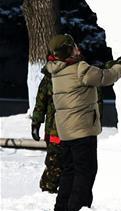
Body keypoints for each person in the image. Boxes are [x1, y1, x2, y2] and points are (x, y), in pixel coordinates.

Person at [46, 34, 121, 211]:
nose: (78, 48)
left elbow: (94, 75)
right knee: (85, 172)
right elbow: (105, 77)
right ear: (69, 50)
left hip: (66, 131)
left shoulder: (57, 70)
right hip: (82, 131)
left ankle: (61, 207)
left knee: (69, 172)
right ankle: (77, 207)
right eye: (74, 46)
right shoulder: (80, 69)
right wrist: (120, 66)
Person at [31, 60, 63, 193]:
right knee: (54, 160)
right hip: (53, 129)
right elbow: (40, 102)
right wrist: (36, 123)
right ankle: (47, 190)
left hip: (72, 127)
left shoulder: (77, 71)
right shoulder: (49, 77)